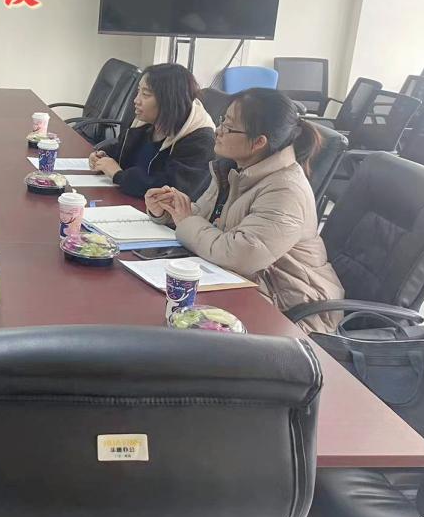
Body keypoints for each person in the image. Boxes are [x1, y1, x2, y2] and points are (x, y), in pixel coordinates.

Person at [146, 88, 344, 333]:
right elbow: (205, 218)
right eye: (222, 121)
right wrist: (169, 211)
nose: (218, 130)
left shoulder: (286, 191)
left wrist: (186, 220)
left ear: (259, 142)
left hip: (290, 311)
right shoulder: (236, 168)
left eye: (228, 127)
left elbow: (238, 255)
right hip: (243, 286)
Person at [89, 63, 215, 199]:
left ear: (169, 100)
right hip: (131, 202)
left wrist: (118, 175)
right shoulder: (148, 123)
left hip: (157, 211)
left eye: (145, 94)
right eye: (138, 91)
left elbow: (171, 191)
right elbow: (123, 149)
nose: (136, 100)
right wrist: (104, 156)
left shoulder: (200, 140)